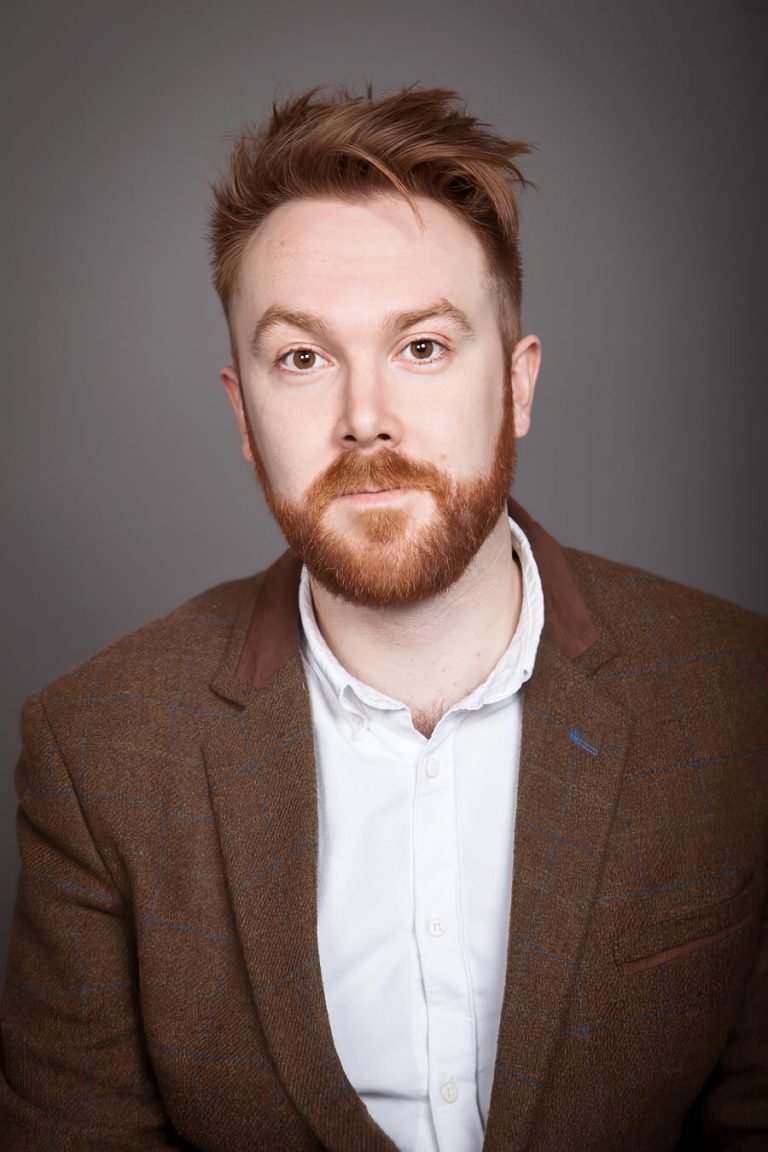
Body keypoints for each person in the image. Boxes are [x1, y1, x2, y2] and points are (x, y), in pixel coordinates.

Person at [0, 84, 765, 1152]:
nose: (365, 419)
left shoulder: (738, 699)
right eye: (302, 359)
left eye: (423, 348)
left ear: (519, 387)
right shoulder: (98, 751)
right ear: (244, 415)